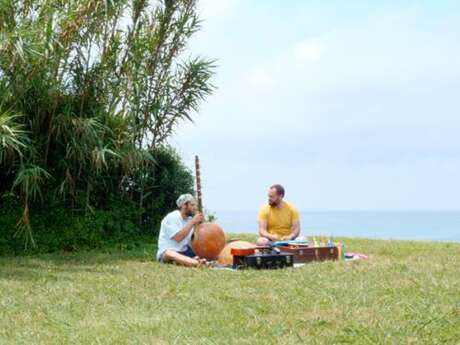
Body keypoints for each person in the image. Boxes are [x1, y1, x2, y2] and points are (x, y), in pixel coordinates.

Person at [156, 194, 207, 266]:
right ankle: (195, 263)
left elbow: (193, 242)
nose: (195, 208)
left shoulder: (190, 220)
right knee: (168, 253)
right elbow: (178, 238)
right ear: (184, 206)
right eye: (192, 205)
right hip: (168, 253)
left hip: (184, 252)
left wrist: (201, 224)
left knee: (203, 251)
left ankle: (192, 260)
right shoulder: (172, 217)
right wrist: (193, 222)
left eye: (195, 205)